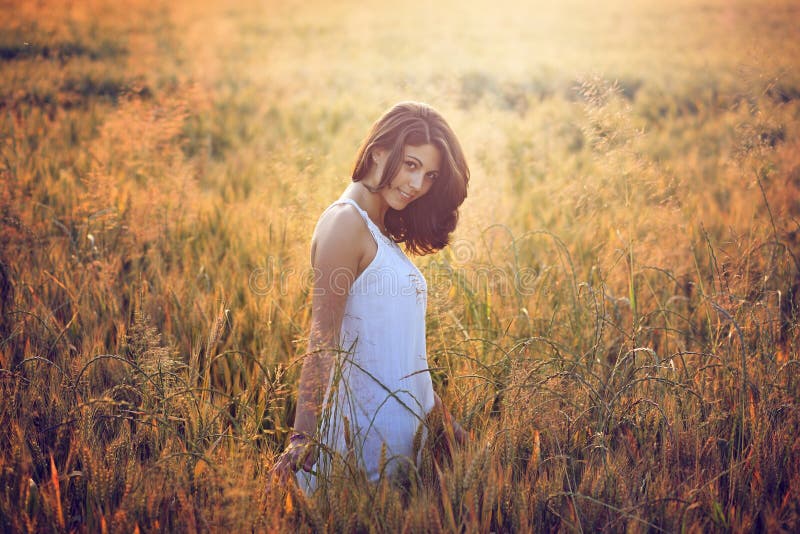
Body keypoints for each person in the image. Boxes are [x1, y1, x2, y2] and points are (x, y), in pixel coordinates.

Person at [270, 101, 469, 492]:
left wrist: (448, 429)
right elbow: (322, 340)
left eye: (429, 175)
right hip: (362, 450)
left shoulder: (380, 235)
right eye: (410, 165)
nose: (417, 185)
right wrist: (300, 437)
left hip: (407, 448)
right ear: (378, 150)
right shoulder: (346, 224)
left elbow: (405, 359)